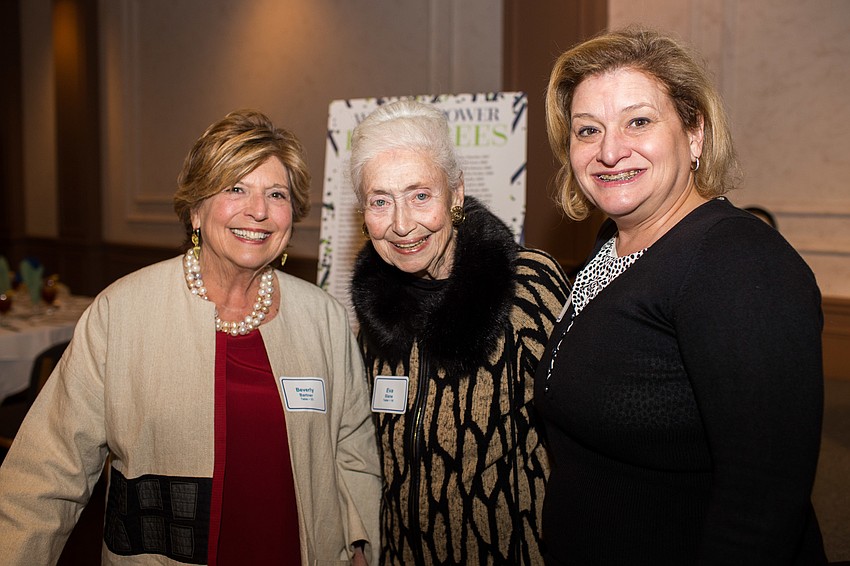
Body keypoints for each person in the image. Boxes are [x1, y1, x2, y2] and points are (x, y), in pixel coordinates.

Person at [0, 109, 381, 565]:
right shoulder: (122, 312)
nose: (258, 210)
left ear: (290, 218)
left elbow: (353, 447)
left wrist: (361, 543)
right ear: (196, 210)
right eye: (235, 188)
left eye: (275, 194)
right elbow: (46, 473)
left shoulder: (324, 318)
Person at [537, 28, 827, 565]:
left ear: (694, 132)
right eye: (587, 130)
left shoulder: (738, 263)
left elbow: (762, 504)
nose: (609, 150)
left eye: (639, 121)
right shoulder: (611, 247)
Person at [348, 99, 571, 565]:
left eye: (420, 195)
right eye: (380, 201)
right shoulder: (373, 317)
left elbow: (579, 444)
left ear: (456, 194)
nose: (402, 225)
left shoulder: (526, 286)